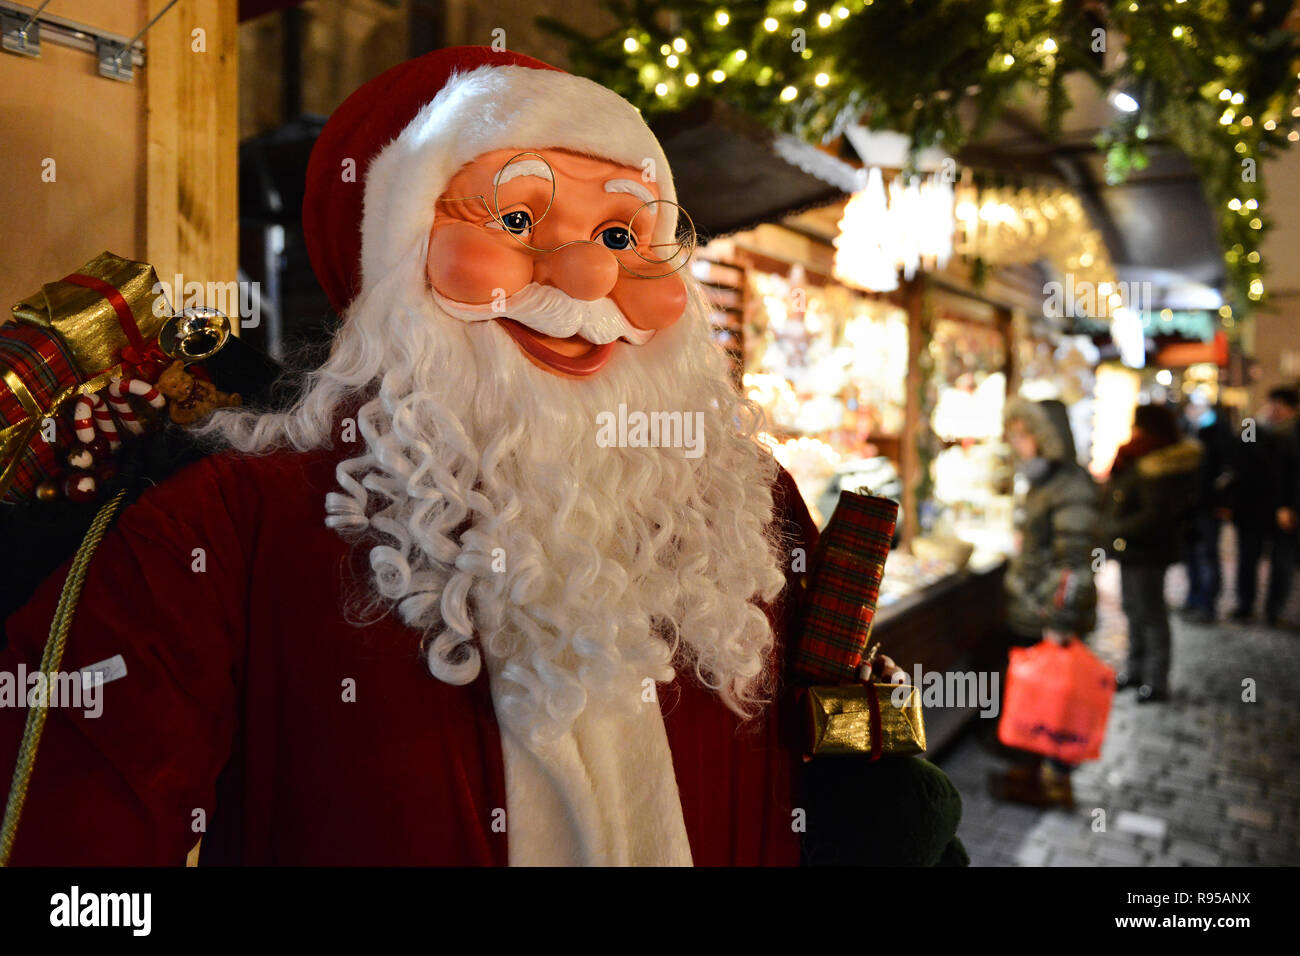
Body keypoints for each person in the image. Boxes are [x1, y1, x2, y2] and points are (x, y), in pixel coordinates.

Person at [0, 47, 962, 866]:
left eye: (624, 234)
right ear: (393, 266)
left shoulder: (748, 510)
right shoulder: (222, 530)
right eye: (514, 221)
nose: (586, 279)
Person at [987, 397, 1099, 808]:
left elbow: (1074, 563)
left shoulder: (1070, 486)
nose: (1017, 443)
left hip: (1048, 612)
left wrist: (1058, 617)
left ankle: (1050, 782)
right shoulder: (1045, 481)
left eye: (1024, 434)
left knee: (1053, 697)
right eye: (1014, 434)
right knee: (1035, 694)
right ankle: (1029, 775)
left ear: (1045, 437)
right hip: (1034, 606)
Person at [1104, 403, 1203, 702]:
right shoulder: (1136, 455)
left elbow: (1155, 514)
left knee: (1151, 613)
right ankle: (1136, 670)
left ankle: (1156, 680)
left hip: (1148, 549)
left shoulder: (1161, 461)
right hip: (1130, 547)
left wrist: (1115, 528)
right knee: (1133, 609)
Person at [1230, 386, 1299, 626]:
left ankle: (1275, 611)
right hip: (1252, 508)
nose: (1275, 410)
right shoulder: (1253, 428)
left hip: (1285, 510)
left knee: (1282, 564)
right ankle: (1244, 605)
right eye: (1273, 403)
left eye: (1281, 405)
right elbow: (1240, 457)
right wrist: (1254, 425)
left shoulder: (1294, 433)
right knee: (1248, 559)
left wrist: (1289, 506)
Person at [1179, 395, 1236, 624]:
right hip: (1189, 508)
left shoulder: (1219, 432)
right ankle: (1193, 599)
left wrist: (1222, 502)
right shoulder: (1184, 430)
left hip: (1209, 507)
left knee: (1207, 556)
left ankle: (1207, 604)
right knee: (1191, 555)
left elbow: (1230, 471)